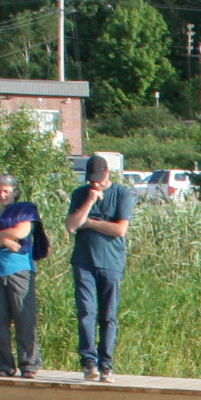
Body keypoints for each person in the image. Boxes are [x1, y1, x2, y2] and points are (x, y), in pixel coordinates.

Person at [64, 156, 134, 382]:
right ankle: (88, 362)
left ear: (107, 173)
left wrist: (91, 223)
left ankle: (106, 365)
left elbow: (120, 230)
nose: (94, 183)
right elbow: (72, 226)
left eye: (98, 179)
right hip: (83, 261)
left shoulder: (122, 194)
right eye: (91, 180)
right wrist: (90, 201)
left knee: (108, 316)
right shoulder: (80, 194)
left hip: (111, 263)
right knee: (86, 311)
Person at [0, 173, 42, 378]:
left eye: (6, 191)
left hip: (19, 269)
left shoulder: (26, 210)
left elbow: (21, 232)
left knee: (24, 318)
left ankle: (29, 366)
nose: (2, 194)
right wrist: (4, 241)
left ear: (15, 192)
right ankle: (4, 366)